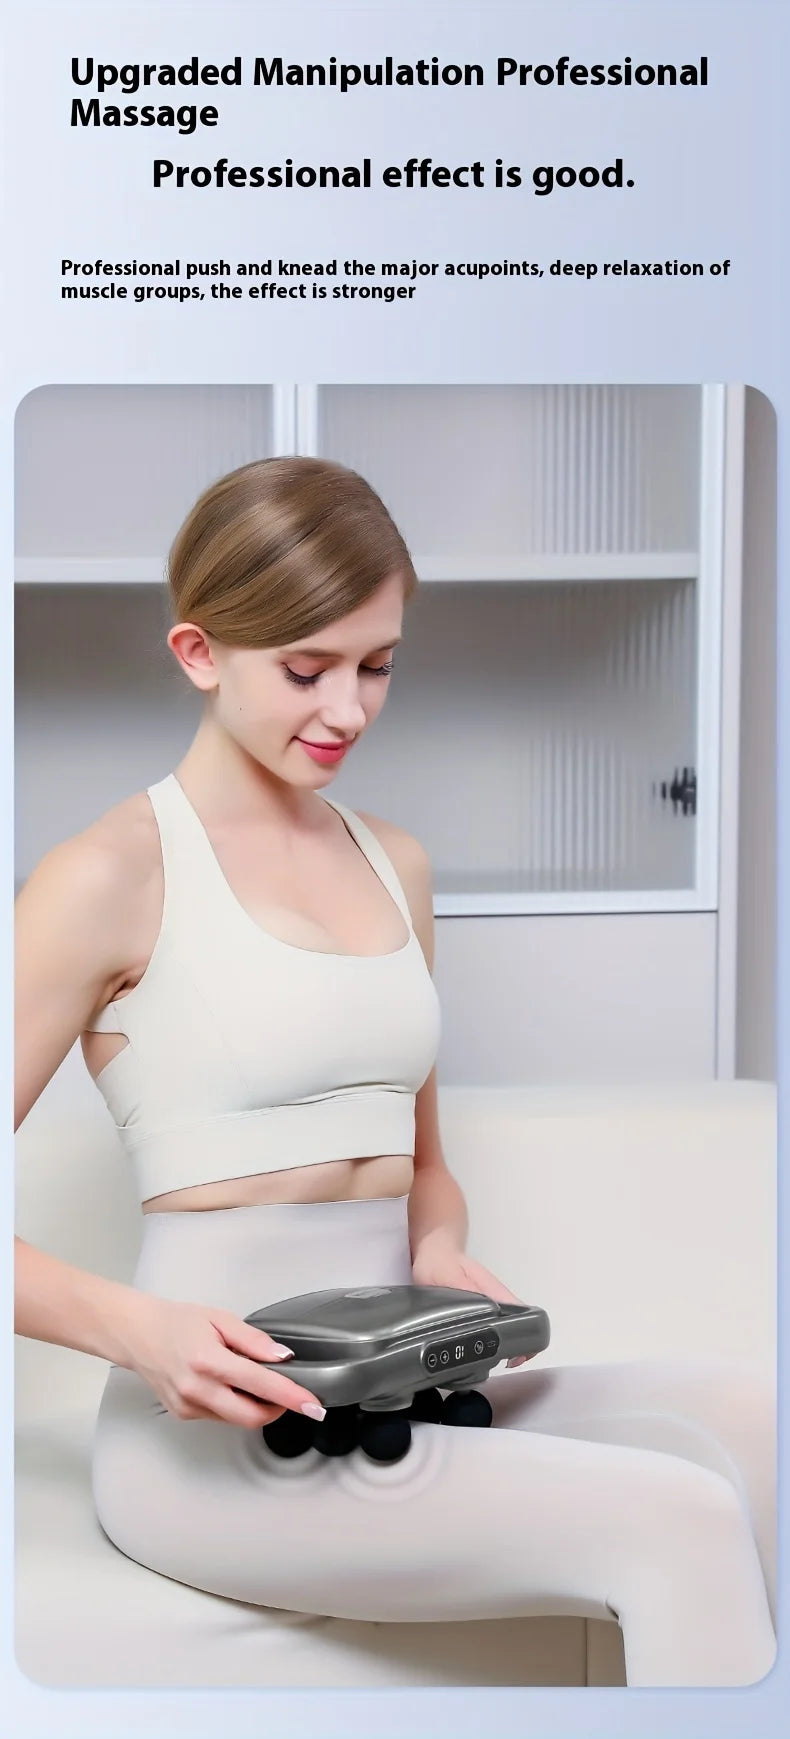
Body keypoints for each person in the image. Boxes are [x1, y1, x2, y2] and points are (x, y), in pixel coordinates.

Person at [14, 456, 776, 1689]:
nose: (349, 707)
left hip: (401, 1373)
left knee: (755, 1425)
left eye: (376, 664)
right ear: (200, 653)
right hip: (212, 1439)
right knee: (675, 1519)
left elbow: (422, 1164)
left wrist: (437, 1250)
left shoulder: (394, 864)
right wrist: (140, 1332)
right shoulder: (103, 875)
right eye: (305, 668)